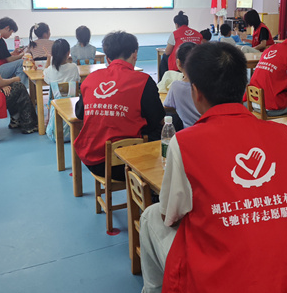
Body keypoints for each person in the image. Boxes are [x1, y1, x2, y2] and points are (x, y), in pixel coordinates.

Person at [140, 42, 287, 293]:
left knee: (151, 216)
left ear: (196, 92)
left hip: (226, 290)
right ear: (244, 87)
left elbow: (170, 215)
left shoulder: (185, 142)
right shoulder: (283, 133)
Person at [74, 31, 165, 181]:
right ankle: (157, 185)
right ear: (135, 54)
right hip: (125, 162)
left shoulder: (90, 79)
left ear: (107, 58)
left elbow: (79, 113)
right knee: (168, 127)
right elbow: (157, 118)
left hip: (92, 160)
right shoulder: (143, 81)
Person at [163, 42, 200, 129]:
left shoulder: (176, 86)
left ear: (178, 63)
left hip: (187, 132)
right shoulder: (209, 84)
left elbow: (167, 105)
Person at [160, 11, 202, 79]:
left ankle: (163, 80)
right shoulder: (198, 34)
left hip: (179, 66)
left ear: (176, 24)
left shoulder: (175, 34)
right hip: (196, 64)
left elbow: (167, 52)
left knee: (165, 56)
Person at [0, 17, 28, 87]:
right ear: (7, 28)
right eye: (11, 32)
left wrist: (13, 53)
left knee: (19, 67)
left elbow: (2, 56)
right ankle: (23, 87)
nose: (10, 35)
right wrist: (23, 54)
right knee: (21, 63)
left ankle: (22, 86)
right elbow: (9, 59)